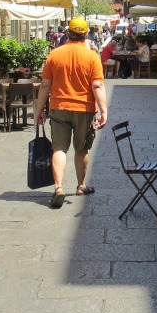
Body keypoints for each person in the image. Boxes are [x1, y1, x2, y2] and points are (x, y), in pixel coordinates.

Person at [34, 17, 108, 209]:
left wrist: (39, 110)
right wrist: (104, 110)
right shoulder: (92, 56)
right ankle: (81, 185)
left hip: (59, 107)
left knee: (59, 148)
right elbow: (97, 85)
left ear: (68, 33)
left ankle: (58, 187)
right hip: (84, 108)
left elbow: (45, 85)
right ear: (86, 34)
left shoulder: (55, 55)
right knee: (81, 149)